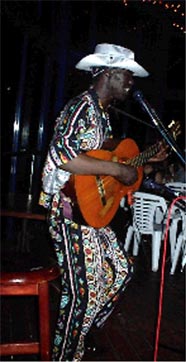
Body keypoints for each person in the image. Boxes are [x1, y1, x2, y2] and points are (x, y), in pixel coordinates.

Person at [39, 43, 168, 361]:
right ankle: (66, 352)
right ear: (109, 73)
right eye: (127, 74)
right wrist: (117, 168)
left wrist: (142, 166)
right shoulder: (82, 108)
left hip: (91, 214)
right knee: (83, 294)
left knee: (121, 270)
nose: (130, 82)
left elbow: (109, 173)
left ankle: (80, 330)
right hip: (70, 215)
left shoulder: (103, 116)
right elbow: (64, 157)